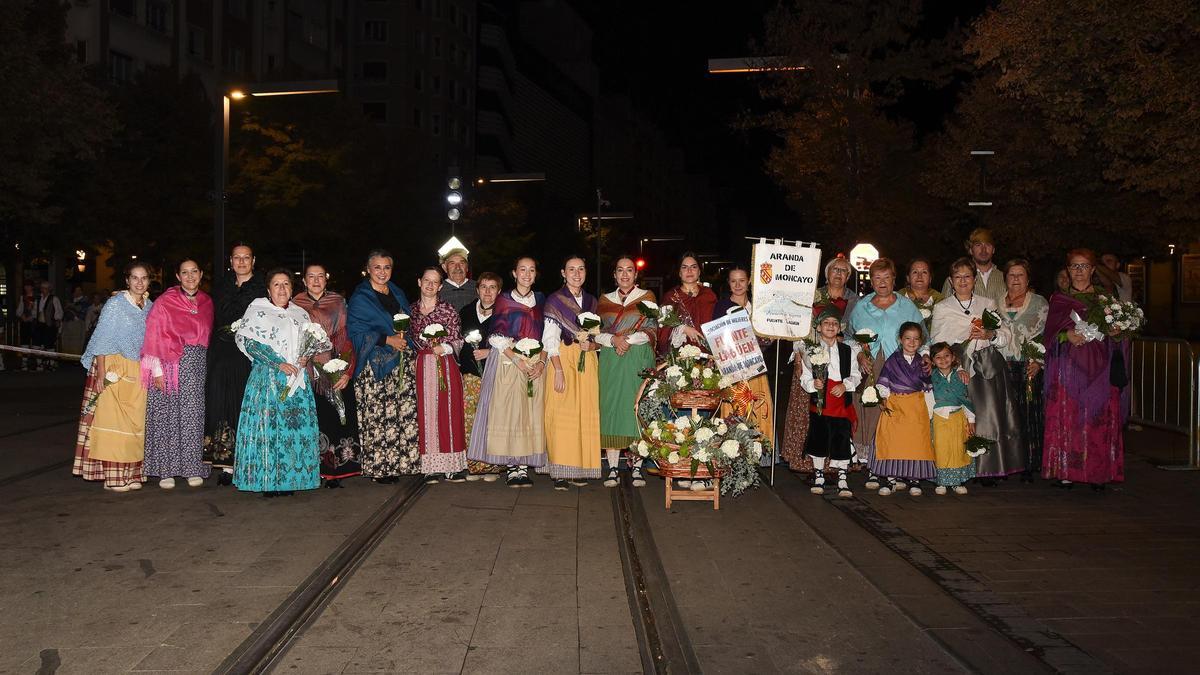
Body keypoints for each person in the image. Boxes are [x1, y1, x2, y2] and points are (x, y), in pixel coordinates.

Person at [931, 257, 1023, 485]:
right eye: (958, 277)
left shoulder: (987, 303)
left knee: (987, 418)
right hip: (957, 368)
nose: (963, 281)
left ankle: (989, 467)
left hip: (985, 369)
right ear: (951, 282)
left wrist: (989, 335)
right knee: (961, 419)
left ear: (974, 280)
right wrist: (958, 350)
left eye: (967, 276)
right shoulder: (942, 308)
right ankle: (962, 466)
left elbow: (1005, 336)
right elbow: (936, 341)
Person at [232, 269, 320, 496]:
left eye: (286, 284)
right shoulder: (258, 310)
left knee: (293, 432)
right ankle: (269, 481)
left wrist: (305, 356)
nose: (282, 289)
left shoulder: (300, 314)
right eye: (276, 284)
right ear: (269, 289)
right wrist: (277, 362)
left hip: (296, 379)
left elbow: (309, 342)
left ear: (292, 288)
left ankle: (291, 480)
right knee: (270, 430)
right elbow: (251, 343)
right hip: (268, 378)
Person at [1042, 249, 1125, 490]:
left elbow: (1120, 335)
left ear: (1093, 269)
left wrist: (1116, 333)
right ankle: (1067, 470)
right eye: (1074, 266)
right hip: (1068, 369)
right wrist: (1065, 335)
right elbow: (1049, 336)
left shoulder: (1106, 299)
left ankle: (1097, 472)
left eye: (1084, 266)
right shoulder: (1059, 300)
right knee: (1069, 418)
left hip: (1100, 369)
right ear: (1068, 270)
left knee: (1097, 419)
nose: (1079, 271)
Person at [467, 256, 548, 487]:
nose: (526, 274)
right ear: (514, 273)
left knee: (529, 413)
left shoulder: (541, 300)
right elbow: (495, 336)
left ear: (535, 274)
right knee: (509, 413)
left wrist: (540, 362)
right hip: (509, 361)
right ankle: (512, 467)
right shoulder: (504, 300)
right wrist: (517, 360)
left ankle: (523, 466)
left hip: (535, 362)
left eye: (531, 270)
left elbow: (548, 335)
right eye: (522, 269)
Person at [72, 262, 154, 492]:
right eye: (134, 278)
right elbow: (102, 338)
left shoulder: (150, 306)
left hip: (138, 370)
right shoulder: (116, 304)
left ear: (149, 281)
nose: (139, 282)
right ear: (127, 280)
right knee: (113, 422)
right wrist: (100, 372)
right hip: (114, 368)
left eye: (144, 278)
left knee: (136, 424)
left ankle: (133, 473)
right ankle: (114, 477)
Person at [845, 258, 925, 489]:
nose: (882, 282)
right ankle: (873, 467)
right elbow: (849, 337)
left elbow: (923, 338)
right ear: (871, 280)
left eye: (886, 277)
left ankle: (893, 467)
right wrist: (860, 355)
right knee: (869, 415)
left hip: (898, 368)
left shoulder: (907, 306)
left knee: (892, 416)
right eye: (877, 278)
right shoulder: (861, 307)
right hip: (870, 367)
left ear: (894, 278)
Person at [347, 249, 421, 482]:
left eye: (386, 267)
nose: (382, 272)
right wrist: (388, 339)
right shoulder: (361, 297)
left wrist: (403, 339)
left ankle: (400, 463)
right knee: (378, 418)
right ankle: (380, 468)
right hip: (375, 364)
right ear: (368, 269)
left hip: (400, 362)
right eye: (377, 267)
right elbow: (355, 331)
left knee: (401, 415)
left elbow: (407, 323)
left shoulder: (397, 292)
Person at [140, 260, 213, 489]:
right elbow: (153, 337)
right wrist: (158, 373)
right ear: (178, 276)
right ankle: (166, 470)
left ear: (201, 274)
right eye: (185, 272)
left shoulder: (207, 302)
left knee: (192, 417)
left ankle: (192, 467)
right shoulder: (165, 301)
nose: (190, 276)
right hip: (169, 365)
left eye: (194, 271)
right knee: (167, 418)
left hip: (196, 365)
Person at [292, 263, 361, 488]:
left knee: (335, 420)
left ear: (326, 278)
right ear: (304, 280)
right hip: (305, 371)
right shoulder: (295, 303)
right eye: (311, 277)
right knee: (312, 420)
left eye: (320, 276)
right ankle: (312, 470)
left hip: (333, 366)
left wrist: (346, 369)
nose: (315, 280)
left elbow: (346, 336)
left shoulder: (338, 302)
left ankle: (335, 472)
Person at [204, 243, 266, 483]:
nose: (241, 262)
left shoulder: (261, 287)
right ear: (231, 261)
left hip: (247, 352)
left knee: (244, 404)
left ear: (253, 260)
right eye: (237, 258)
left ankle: (248, 461)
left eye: (246, 257)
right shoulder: (221, 285)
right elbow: (219, 315)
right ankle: (226, 464)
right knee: (221, 403)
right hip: (221, 351)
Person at [597, 256, 658, 487]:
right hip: (612, 359)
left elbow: (651, 329)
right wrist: (613, 339)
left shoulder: (647, 298)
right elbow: (595, 331)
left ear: (636, 274)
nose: (624, 275)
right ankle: (612, 467)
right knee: (611, 409)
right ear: (614, 274)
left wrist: (627, 340)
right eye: (620, 270)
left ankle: (637, 468)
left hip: (637, 357)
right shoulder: (605, 300)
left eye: (629, 270)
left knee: (635, 409)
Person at [542, 255, 602, 489]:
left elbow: (597, 337)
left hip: (586, 359)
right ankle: (559, 470)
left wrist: (593, 345)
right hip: (563, 358)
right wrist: (557, 370)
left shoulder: (591, 301)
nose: (577, 274)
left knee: (584, 413)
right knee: (561, 414)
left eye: (581, 269)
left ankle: (580, 468)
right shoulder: (555, 301)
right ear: (563, 273)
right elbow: (549, 339)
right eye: (571, 269)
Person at [409, 266, 469, 483]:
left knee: (448, 412)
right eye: (427, 280)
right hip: (421, 365)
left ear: (441, 286)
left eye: (435, 282)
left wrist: (443, 348)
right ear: (419, 282)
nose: (430, 285)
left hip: (444, 363)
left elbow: (458, 339)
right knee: (425, 413)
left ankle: (452, 465)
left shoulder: (448, 309)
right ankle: (430, 466)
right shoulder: (411, 311)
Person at [798, 306, 861, 497]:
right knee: (819, 436)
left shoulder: (847, 350)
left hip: (840, 401)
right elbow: (805, 375)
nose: (831, 326)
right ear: (818, 327)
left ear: (840, 327)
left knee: (841, 436)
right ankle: (819, 475)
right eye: (826, 323)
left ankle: (842, 477)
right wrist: (813, 384)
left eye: (834, 323)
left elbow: (856, 374)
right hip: (820, 401)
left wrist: (845, 385)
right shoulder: (811, 350)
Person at [998, 259, 1049, 480]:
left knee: (1028, 416)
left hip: (1029, 366)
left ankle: (1028, 464)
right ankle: (1006, 464)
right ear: (1005, 279)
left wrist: (1040, 361)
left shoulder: (1039, 303)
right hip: (1002, 366)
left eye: (1021, 275)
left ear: (1028, 279)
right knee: (1005, 417)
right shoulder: (995, 303)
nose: (1016, 279)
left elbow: (1049, 335)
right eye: (1012, 275)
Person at [873, 322, 936, 496]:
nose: (912, 342)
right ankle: (891, 479)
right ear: (900, 340)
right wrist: (883, 398)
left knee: (916, 443)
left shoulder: (923, 362)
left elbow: (928, 386)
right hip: (895, 405)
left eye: (916, 339)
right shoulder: (892, 360)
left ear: (921, 341)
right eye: (908, 338)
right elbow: (883, 381)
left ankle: (914, 480)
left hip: (916, 407)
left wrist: (929, 410)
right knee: (893, 441)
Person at [714, 266, 775, 446]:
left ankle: (757, 452)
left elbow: (768, 336)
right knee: (734, 411)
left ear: (749, 281)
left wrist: (767, 338)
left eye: (742, 280)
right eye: (733, 281)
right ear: (728, 283)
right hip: (733, 370)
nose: (738, 285)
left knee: (758, 407)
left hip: (756, 367)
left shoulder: (759, 307)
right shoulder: (721, 306)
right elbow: (717, 339)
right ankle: (730, 452)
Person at [458, 272, 504, 481]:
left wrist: (490, 352)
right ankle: (475, 465)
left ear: (499, 291)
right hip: (470, 375)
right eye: (483, 287)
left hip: (495, 374)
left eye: (492, 287)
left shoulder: (504, 313)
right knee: (471, 420)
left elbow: (512, 343)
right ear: (477, 290)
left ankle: (492, 466)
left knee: (492, 421)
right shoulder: (466, 312)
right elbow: (458, 342)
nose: (487, 291)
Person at [929, 342, 975, 495]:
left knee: (958, 449)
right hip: (938, 418)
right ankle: (941, 482)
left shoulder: (960, 376)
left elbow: (966, 400)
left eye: (946, 355)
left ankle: (956, 482)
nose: (943, 359)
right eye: (938, 357)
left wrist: (971, 421)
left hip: (958, 418)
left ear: (953, 357)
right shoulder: (931, 377)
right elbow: (927, 399)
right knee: (941, 450)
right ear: (932, 360)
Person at [658, 252, 716, 357]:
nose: (689, 271)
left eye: (693, 267)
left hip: (709, 356)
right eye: (684, 267)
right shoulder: (671, 297)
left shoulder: (709, 295)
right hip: (681, 357)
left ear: (699, 272)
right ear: (679, 272)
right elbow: (662, 329)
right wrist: (683, 329)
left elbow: (717, 325)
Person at [941, 227, 1006, 306]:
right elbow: (944, 308)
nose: (983, 250)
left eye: (988, 245)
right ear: (970, 250)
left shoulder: (1005, 278)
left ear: (993, 249)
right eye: (978, 245)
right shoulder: (956, 279)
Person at [898, 258, 944, 335]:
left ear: (930, 278)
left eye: (924, 272)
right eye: (915, 272)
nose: (919, 276)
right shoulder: (897, 298)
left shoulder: (940, 299)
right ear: (908, 278)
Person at [32, 281, 64, 370]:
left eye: (45, 288)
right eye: (42, 288)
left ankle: (51, 364)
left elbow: (59, 312)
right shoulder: (38, 299)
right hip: (39, 325)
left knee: (49, 345)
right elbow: (34, 311)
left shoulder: (54, 299)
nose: (43, 290)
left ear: (49, 289)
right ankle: (40, 364)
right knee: (37, 344)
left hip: (50, 325)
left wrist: (57, 322)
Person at [15, 281, 36, 370]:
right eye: (26, 286)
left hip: (34, 322)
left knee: (36, 343)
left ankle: (37, 364)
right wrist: (21, 315)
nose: (27, 288)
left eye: (29, 286)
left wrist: (31, 317)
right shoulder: (22, 297)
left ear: (32, 287)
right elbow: (19, 311)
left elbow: (37, 310)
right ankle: (24, 363)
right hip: (24, 322)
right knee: (24, 342)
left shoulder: (37, 297)